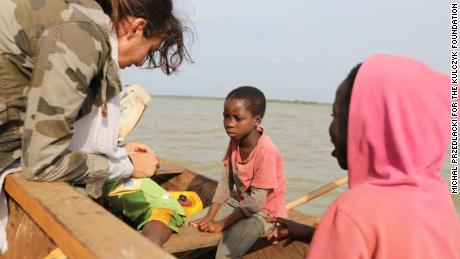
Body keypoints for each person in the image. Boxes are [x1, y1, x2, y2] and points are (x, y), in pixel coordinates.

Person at [0, 0, 191, 249]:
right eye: (150, 49)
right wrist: (126, 164)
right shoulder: (81, 35)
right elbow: (44, 162)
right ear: (136, 28)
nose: (141, 62)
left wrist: (119, 153)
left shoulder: (71, 14)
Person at [267, 54, 460, 258]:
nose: (330, 129)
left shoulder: (352, 210)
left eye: (335, 116)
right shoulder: (438, 199)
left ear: (368, 125)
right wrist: (313, 234)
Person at [189, 86, 287, 258]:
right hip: (241, 205)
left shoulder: (266, 152)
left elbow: (256, 203)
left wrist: (221, 224)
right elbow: (225, 183)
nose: (229, 123)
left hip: (264, 214)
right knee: (190, 225)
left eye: (237, 118)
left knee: (227, 250)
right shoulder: (235, 140)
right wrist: (210, 216)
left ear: (256, 121)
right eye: (226, 117)